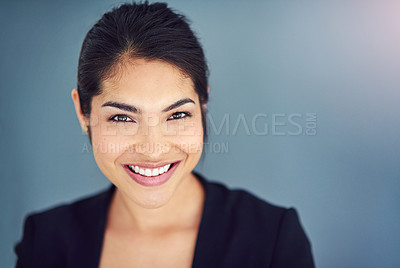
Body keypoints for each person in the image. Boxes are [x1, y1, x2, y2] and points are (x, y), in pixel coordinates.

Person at [14, 2, 314, 267]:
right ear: (83, 113)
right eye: (122, 117)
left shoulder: (273, 239)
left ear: (203, 105)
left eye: (178, 115)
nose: (153, 149)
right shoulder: (46, 242)